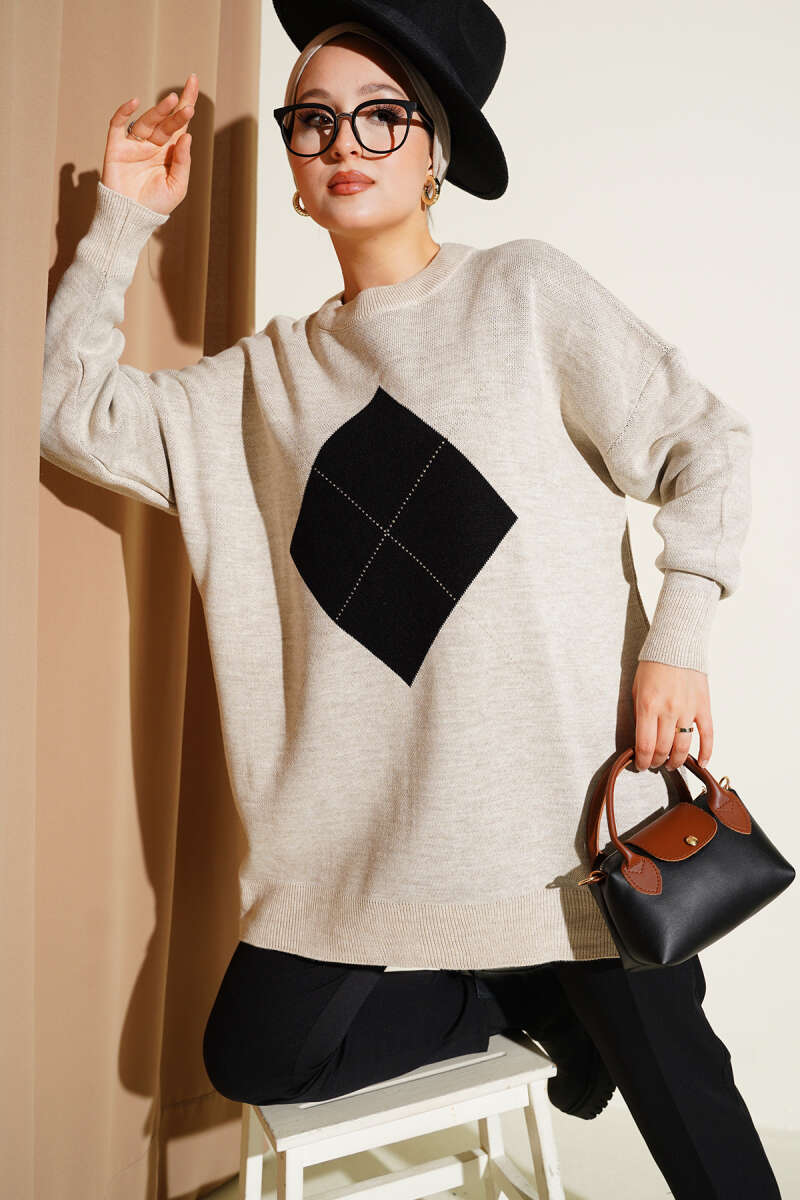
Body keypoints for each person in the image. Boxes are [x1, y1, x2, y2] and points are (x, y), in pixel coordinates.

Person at [40, 1, 781, 1195]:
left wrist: (679, 633)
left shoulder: (524, 294)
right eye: (313, 120)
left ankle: (557, 987)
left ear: (434, 150)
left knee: (698, 1137)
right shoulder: (254, 389)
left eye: (382, 116)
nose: (344, 142)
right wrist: (123, 218)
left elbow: (707, 443)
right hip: (366, 855)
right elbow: (69, 415)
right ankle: (516, 997)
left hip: (574, 834)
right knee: (253, 1057)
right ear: (292, 166)